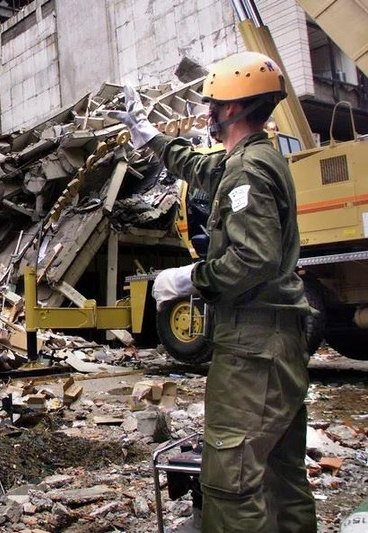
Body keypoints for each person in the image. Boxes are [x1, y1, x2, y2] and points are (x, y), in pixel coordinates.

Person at [108, 51, 316, 531]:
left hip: (252, 349)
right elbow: (200, 168)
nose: (208, 112)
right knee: (281, 479)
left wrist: (189, 279)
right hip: (276, 344)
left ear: (234, 108)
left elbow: (253, 259)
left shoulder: (247, 170)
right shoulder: (256, 158)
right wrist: (148, 136)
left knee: (229, 482)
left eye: (214, 105)